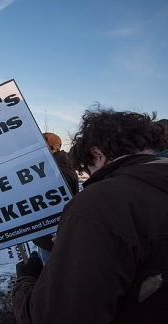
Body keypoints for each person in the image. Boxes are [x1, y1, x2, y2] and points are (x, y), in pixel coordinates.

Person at [12, 108, 168, 324]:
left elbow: (57, 316)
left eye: (88, 169)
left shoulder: (104, 200)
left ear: (98, 154)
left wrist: (26, 281)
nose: (92, 177)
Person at [32, 132, 79, 265]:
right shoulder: (59, 167)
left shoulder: (58, 172)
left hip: (53, 240)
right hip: (51, 238)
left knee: (52, 277)